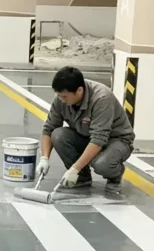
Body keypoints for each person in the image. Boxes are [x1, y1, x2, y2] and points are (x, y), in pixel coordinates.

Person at [35, 66, 134, 194]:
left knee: (101, 164)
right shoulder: (61, 98)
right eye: (59, 96)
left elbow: (98, 139)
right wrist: (44, 158)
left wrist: (74, 169)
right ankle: (82, 178)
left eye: (64, 96)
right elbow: (49, 128)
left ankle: (115, 175)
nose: (61, 100)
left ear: (79, 90)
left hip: (116, 140)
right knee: (58, 135)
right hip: (87, 136)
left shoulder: (102, 98)